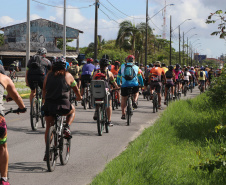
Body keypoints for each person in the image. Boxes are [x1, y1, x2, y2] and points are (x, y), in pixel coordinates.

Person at [42, 57, 82, 160]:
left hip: (49, 105)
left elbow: (44, 89)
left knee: (48, 126)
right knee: (72, 110)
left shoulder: (48, 75)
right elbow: (76, 89)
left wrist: (43, 100)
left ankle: (47, 151)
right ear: (65, 67)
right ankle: (67, 127)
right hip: (63, 106)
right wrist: (79, 97)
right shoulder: (68, 76)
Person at [0, 73, 26, 185]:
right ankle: (4, 179)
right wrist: (22, 108)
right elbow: (16, 96)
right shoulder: (4, 78)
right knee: (2, 147)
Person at [93, 58, 119, 126]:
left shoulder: (96, 72)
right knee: (109, 105)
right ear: (107, 65)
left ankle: (96, 110)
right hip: (105, 91)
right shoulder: (109, 73)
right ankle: (109, 121)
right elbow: (113, 82)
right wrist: (117, 87)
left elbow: (92, 82)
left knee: (96, 98)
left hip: (97, 91)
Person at [117, 55, 144, 119]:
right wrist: (142, 84)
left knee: (123, 98)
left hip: (124, 85)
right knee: (136, 92)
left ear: (127, 60)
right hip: (134, 84)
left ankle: (123, 114)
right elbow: (140, 78)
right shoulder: (137, 67)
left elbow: (118, 76)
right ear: (133, 60)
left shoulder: (122, 66)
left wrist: (118, 83)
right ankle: (134, 101)